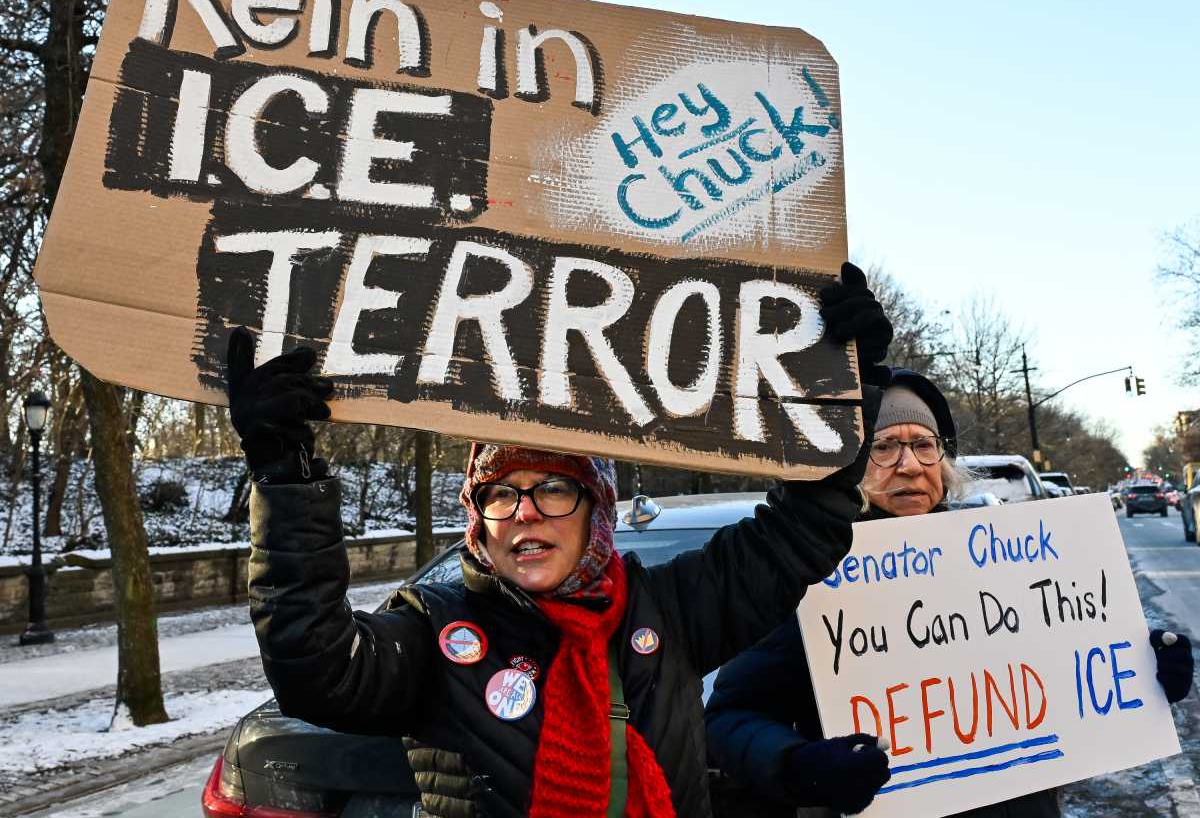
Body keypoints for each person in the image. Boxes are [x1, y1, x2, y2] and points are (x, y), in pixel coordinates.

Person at [229, 262, 892, 818]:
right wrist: (285, 476)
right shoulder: (433, 631)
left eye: (552, 488)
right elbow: (315, 668)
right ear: (478, 519)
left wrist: (838, 396)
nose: (524, 512)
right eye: (499, 493)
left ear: (596, 508)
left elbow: (800, 533)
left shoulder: (672, 608)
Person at [704, 368, 1195, 818]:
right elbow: (729, 716)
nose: (910, 465)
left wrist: (1143, 671)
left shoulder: (1007, 561)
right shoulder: (809, 573)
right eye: (883, 446)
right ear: (848, 464)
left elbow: (1067, 664)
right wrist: (798, 764)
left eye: (923, 444)